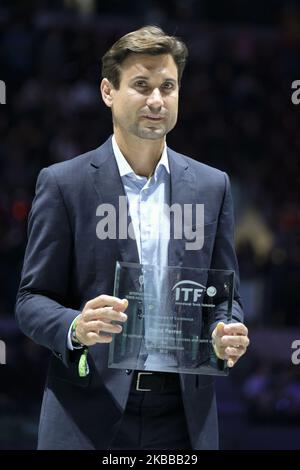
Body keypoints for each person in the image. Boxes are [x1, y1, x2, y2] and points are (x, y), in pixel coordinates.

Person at [15, 25, 249, 450]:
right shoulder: (64, 184)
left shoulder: (214, 186)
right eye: (141, 85)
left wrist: (224, 329)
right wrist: (74, 325)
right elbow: (31, 300)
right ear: (108, 91)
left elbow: (224, 296)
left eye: (168, 86)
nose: (156, 100)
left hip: (184, 417)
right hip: (88, 411)